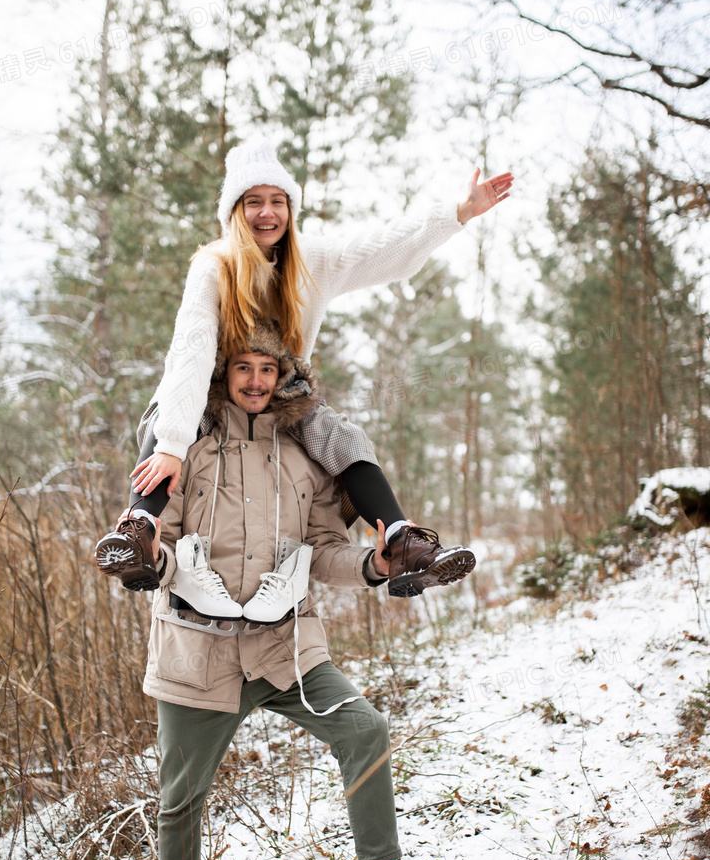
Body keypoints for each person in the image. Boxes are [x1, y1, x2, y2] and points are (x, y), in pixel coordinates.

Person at [138, 321, 473, 860]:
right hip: (197, 655)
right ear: (222, 375)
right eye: (245, 369)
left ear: (284, 376)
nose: (257, 382)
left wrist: (374, 565)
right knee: (180, 797)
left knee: (365, 730)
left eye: (268, 369)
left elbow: (323, 552)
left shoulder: (302, 458)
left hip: (287, 648)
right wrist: (156, 560)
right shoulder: (189, 450)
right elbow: (159, 536)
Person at [95, 138, 513, 599]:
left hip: (282, 388)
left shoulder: (311, 260)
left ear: (290, 209)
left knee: (344, 436)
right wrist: (173, 443)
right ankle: (139, 530)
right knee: (169, 417)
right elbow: (192, 351)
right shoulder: (214, 266)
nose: (266, 213)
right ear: (235, 211)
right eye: (253, 202)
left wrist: (455, 214)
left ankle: (402, 542)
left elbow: (381, 250)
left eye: (277, 201)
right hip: (212, 384)